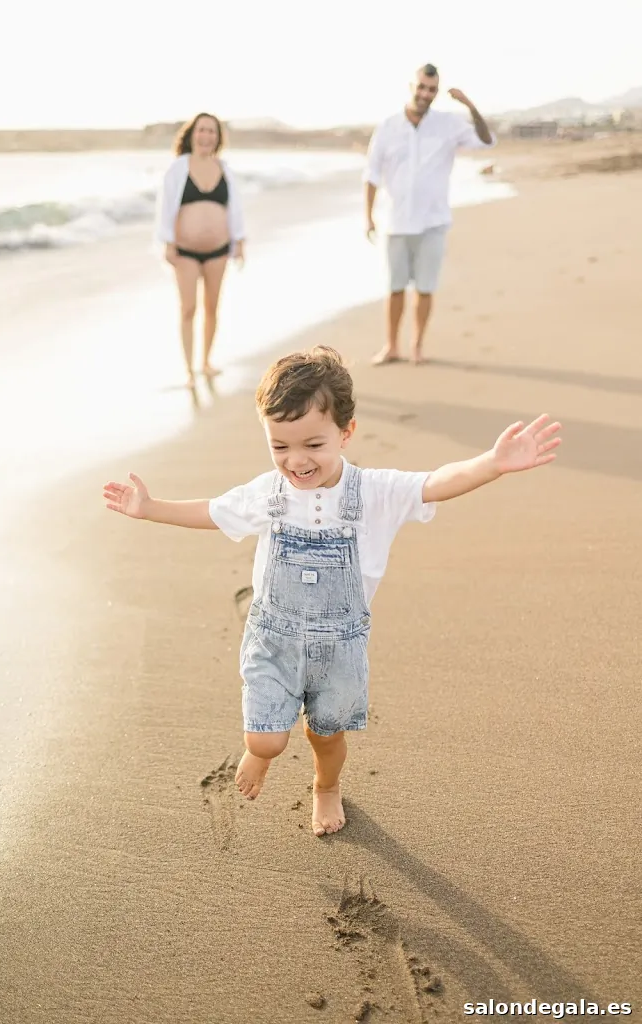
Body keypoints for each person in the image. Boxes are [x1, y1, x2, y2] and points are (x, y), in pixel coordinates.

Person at [102, 347, 561, 837]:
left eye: (314, 444)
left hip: (340, 649)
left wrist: (493, 462)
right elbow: (211, 511)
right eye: (280, 446)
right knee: (266, 739)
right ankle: (262, 752)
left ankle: (326, 786)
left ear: (346, 432)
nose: (296, 461)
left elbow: (435, 483)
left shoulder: (376, 492)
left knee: (325, 735)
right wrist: (149, 508)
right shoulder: (268, 494)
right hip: (273, 639)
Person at [365, 64, 495, 366]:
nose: (425, 94)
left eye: (432, 90)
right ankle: (391, 346)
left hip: (433, 223)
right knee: (395, 288)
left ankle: (417, 346)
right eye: (421, 87)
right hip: (396, 222)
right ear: (411, 86)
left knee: (425, 289)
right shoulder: (387, 127)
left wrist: (469, 105)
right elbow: (371, 174)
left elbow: (486, 141)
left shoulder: (448, 124)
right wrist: (368, 216)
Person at [156, 113, 246, 388]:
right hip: (185, 251)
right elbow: (165, 207)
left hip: (219, 250)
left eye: (211, 131)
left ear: (218, 138)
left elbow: (235, 209)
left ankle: (206, 362)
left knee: (212, 307)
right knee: (188, 308)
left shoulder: (225, 169)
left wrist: (239, 241)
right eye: (201, 130)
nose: (206, 135)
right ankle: (188, 370)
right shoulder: (178, 168)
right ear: (191, 134)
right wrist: (167, 242)